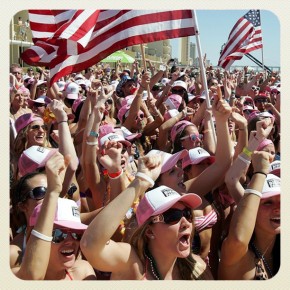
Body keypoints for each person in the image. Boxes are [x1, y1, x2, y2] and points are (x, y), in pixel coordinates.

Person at [80, 153, 213, 280]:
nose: (186, 222)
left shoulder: (197, 268)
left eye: (187, 214)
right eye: (173, 216)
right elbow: (90, 244)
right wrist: (141, 182)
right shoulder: (131, 264)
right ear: (149, 231)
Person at [10, 152, 96, 280]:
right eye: (58, 235)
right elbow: (32, 277)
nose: (70, 240)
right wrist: (52, 191)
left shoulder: (83, 272)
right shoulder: (11, 255)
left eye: (77, 234)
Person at [219, 151, 280, 280]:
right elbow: (231, 178)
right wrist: (250, 150)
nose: (278, 208)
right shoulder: (238, 255)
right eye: (268, 202)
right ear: (252, 210)